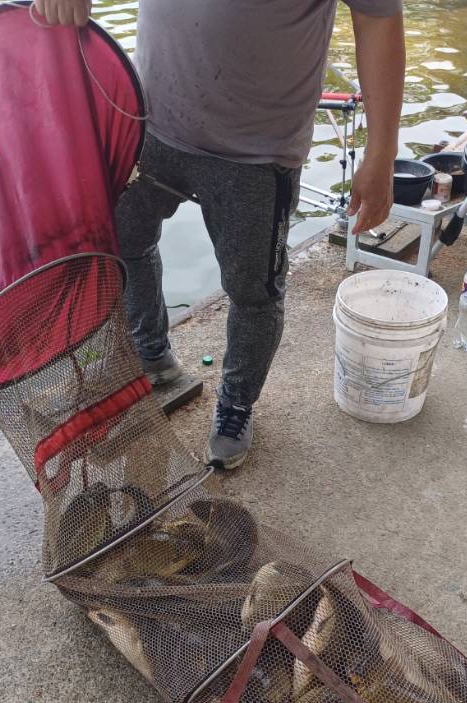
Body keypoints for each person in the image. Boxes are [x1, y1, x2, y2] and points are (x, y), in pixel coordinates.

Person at [36, 0, 405, 469]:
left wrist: (382, 154)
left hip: (256, 152)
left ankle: (237, 403)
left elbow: (379, 19)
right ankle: (149, 354)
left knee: (253, 291)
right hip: (147, 121)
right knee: (122, 246)